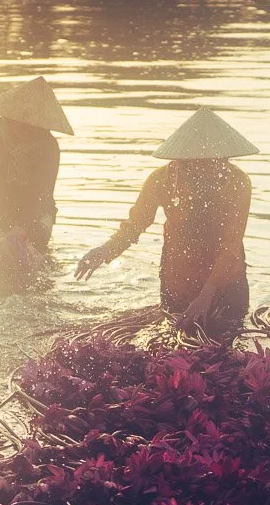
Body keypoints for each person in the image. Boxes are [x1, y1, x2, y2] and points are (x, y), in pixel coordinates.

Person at [74, 107, 256, 334]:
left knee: (228, 349)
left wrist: (207, 294)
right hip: (178, 279)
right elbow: (135, 225)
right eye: (205, 161)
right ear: (186, 160)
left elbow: (231, 244)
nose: (214, 166)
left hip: (225, 282)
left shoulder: (237, 182)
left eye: (219, 160)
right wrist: (104, 251)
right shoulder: (161, 180)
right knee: (176, 348)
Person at [0, 77, 72, 275]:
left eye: (34, 125)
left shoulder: (48, 147)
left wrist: (20, 231)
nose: (28, 129)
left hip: (31, 215)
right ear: (8, 117)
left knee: (29, 264)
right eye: (22, 123)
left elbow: (41, 198)